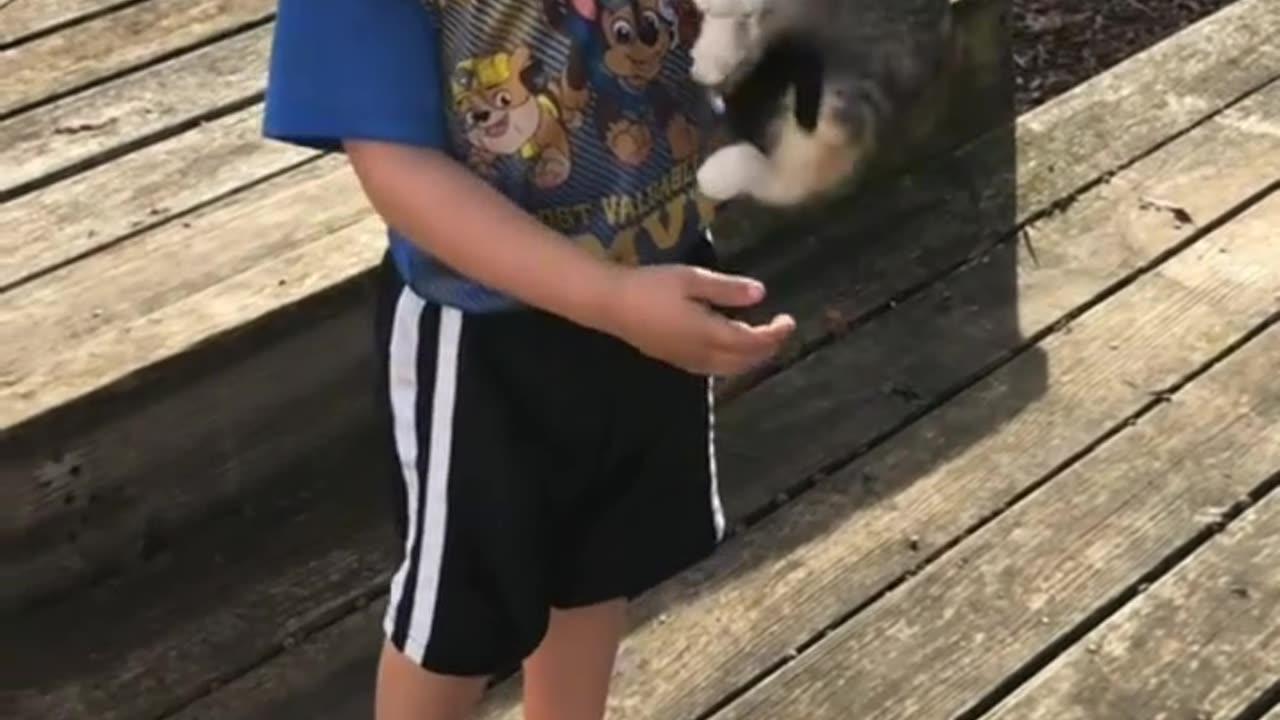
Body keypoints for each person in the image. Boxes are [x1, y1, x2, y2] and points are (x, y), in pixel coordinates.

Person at [262, 0, 794, 718]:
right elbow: (395, 168)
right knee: (456, 618)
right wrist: (607, 299)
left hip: (654, 292)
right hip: (484, 341)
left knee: (601, 566)